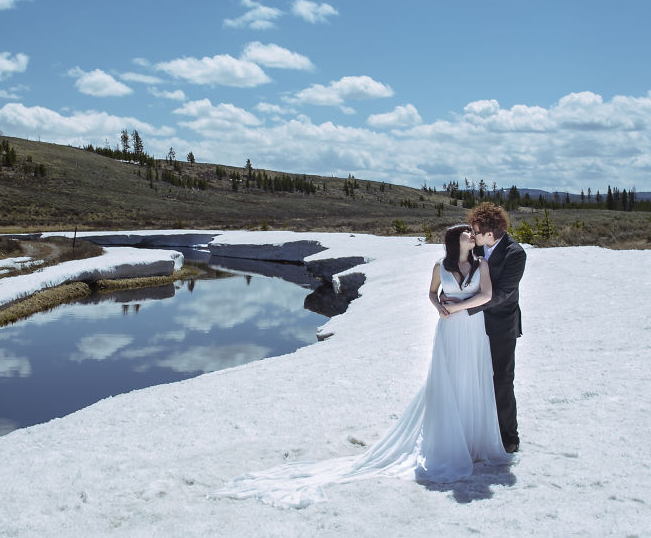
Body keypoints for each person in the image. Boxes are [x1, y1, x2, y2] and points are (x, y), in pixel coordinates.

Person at [210, 224, 511, 509]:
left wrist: (454, 307)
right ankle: (449, 443)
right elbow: (432, 293)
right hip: (447, 330)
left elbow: (485, 295)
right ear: (454, 241)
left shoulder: (481, 265)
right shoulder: (440, 267)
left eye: (472, 233)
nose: (473, 235)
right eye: (467, 233)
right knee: (448, 380)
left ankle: (473, 441)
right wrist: (437, 306)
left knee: (471, 378)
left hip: (471, 329)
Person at [458, 202, 526, 454]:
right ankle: (478, 430)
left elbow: (504, 294)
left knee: (502, 378)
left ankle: (509, 435)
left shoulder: (515, 253)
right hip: (474, 326)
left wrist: (466, 307)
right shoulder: (478, 248)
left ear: (490, 233)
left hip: (501, 325)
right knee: (475, 376)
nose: (472, 234)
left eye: (476, 231)